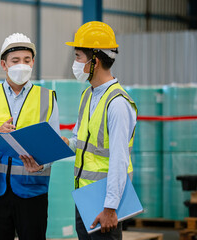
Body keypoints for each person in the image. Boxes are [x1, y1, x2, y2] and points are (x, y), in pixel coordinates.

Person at [0, 33, 60, 240]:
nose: (22, 65)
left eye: (27, 60)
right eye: (15, 61)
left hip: (32, 191)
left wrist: (42, 165)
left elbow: (54, 146)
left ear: (33, 62)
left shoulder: (47, 98)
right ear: (4, 64)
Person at [62, 21, 138, 240]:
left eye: (78, 57)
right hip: (84, 196)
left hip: (104, 204)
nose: (75, 63)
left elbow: (119, 159)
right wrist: (65, 143)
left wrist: (110, 207)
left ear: (94, 61)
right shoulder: (88, 95)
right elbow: (81, 139)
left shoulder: (117, 103)